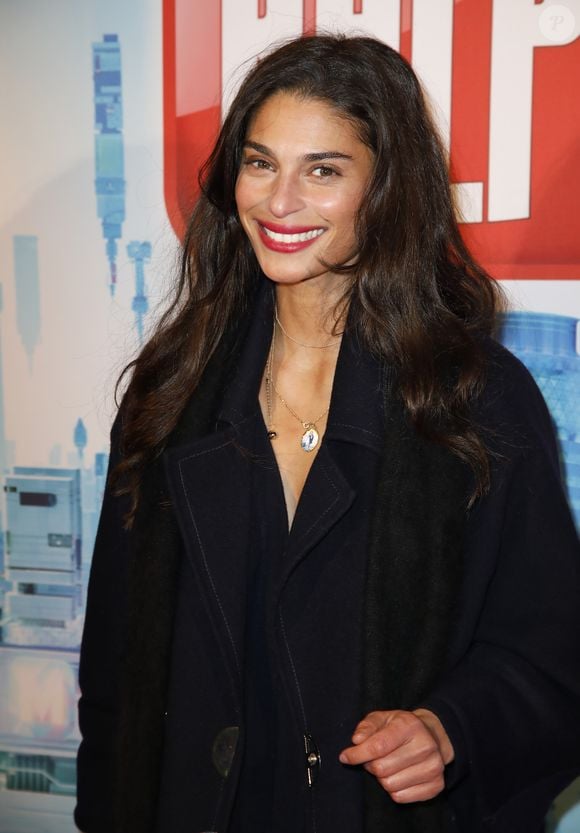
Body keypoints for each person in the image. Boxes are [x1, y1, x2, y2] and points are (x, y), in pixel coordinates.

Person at [74, 34, 580, 833]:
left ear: (387, 189)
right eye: (259, 161)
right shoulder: (171, 393)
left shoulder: (474, 400)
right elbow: (116, 674)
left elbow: (553, 658)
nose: (278, 202)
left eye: (324, 170)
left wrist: (451, 728)